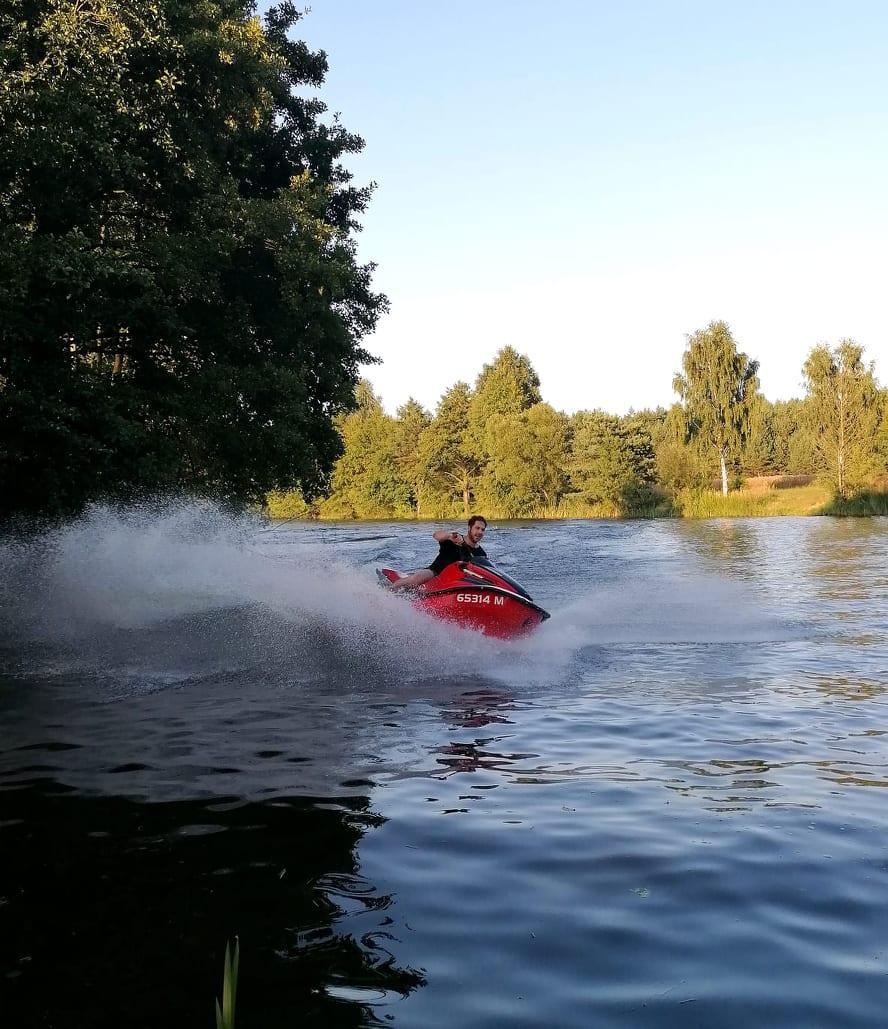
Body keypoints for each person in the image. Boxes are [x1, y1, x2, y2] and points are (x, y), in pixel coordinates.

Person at [388, 515, 488, 590]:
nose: (480, 532)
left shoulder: (481, 554)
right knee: (416, 579)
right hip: (436, 572)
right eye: (477, 528)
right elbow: (436, 535)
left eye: (482, 530)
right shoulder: (454, 538)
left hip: (460, 581)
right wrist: (449, 536)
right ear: (470, 528)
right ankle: (390, 590)